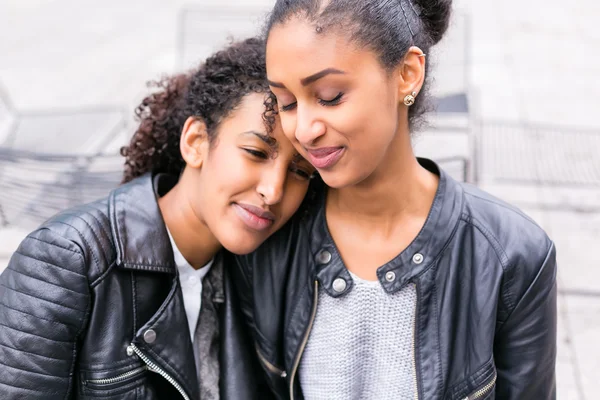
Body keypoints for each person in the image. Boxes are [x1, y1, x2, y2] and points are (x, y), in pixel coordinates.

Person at [233, 1, 557, 399]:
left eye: (331, 96)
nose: (304, 129)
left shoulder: (512, 257)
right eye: (286, 102)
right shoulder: (270, 236)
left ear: (407, 74)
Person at [0, 38, 314, 399]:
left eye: (300, 172)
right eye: (256, 152)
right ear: (196, 142)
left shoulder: (260, 275)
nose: (274, 191)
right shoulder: (66, 259)